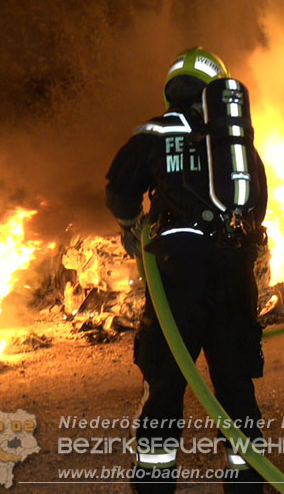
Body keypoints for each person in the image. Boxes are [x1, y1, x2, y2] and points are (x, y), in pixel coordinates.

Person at [105, 46, 268, 494]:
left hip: (178, 276)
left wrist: (133, 227)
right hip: (233, 274)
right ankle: (246, 482)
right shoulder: (236, 143)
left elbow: (119, 192)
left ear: (173, 88)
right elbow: (258, 203)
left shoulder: (156, 132)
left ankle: (155, 486)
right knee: (235, 390)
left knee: (164, 387)